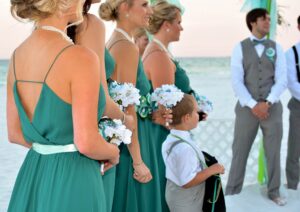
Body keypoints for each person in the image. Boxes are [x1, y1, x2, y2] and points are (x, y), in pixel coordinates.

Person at [7, 0, 119, 211]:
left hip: (33, 174)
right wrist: (112, 152)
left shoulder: (16, 55)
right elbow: (86, 143)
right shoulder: (81, 57)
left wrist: (50, 150)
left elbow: (15, 133)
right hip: (75, 176)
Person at [66, 1, 135, 211]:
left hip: (57, 146)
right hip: (90, 143)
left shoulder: (44, 30)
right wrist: (126, 120)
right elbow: (100, 98)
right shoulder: (89, 24)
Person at [100, 0, 167, 211]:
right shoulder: (126, 47)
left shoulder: (115, 41)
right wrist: (138, 161)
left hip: (127, 140)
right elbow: (126, 109)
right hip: (133, 145)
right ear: (124, 8)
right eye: (144, 4)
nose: (150, 10)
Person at [142, 1, 207, 210]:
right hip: (164, 137)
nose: (182, 27)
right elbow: (166, 112)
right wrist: (189, 117)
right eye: (179, 22)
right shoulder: (159, 56)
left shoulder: (161, 51)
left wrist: (195, 110)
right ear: (167, 25)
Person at [225, 8, 287, 206]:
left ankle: (274, 192)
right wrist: (253, 104)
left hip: (273, 108)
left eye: (269, 19)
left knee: (274, 151)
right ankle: (232, 192)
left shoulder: (276, 48)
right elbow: (236, 81)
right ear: (253, 22)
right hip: (246, 108)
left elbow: (282, 80)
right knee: (240, 150)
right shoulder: (239, 48)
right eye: (264, 19)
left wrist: (267, 102)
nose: (268, 22)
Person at [162, 94, 225, 212]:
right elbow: (187, 182)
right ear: (186, 118)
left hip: (173, 192)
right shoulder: (184, 148)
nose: (200, 114)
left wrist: (195, 117)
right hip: (187, 199)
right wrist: (213, 169)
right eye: (197, 112)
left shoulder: (171, 138)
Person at [285, 15, 300, 190]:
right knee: (295, 147)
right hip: (298, 105)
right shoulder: (291, 53)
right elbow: (292, 82)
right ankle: (293, 186)